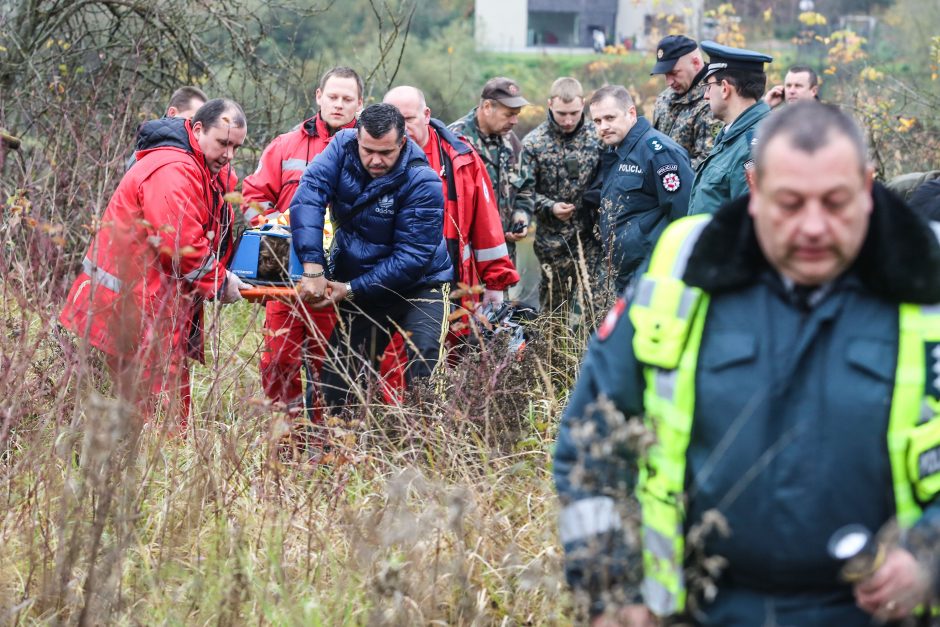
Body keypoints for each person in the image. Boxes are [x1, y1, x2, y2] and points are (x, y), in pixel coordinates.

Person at [554, 101, 940, 626]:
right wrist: (612, 593)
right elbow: (590, 444)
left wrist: (926, 555)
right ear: (753, 189)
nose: (813, 227)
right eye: (789, 203)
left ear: (869, 186)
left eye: (836, 202)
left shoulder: (928, 288)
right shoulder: (680, 284)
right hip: (702, 609)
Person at [60, 99, 249, 428]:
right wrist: (220, 283)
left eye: (236, 147)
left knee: (159, 406)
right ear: (199, 129)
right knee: (157, 414)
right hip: (133, 307)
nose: (229, 154)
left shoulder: (203, 169)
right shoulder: (173, 169)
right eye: (223, 143)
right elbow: (180, 245)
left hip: (155, 302)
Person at [290, 103, 452, 408]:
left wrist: (350, 289)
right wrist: (313, 265)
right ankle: (345, 447)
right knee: (340, 377)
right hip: (361, 280)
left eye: (386, 153)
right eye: (368, 151)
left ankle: (429, 446)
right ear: (356, 139)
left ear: (402, 143)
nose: (375, 160)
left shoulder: (424, 181)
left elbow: (412, 258)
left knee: (425, 364)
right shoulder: (341, 146)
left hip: (420, 284)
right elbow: (309, 195)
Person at [380, 85, 519, 394]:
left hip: (455, 285)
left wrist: (496, 284)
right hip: (389, 284)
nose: (401, 128)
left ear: (427, 116)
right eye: (393, 120)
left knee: (454, 371)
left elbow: (487, 227)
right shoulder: (372, 156)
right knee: (391, 367)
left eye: (408, 118)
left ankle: (439, 434)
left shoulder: (461, 159)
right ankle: (390, 434)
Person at [241, 66, 362, 416]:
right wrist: (274, 227)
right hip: (288, 279)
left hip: (340, 279)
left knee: (333, 365)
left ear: (360, 103)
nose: (339, 105)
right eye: (333, 97)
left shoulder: (370, 147)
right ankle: (285, 443)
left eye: (347, 99)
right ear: (318, 96)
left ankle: (325, 446)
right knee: (280, 360)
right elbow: (252, 198)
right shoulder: (286, 144)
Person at [586, 85, 693, 300]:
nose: (603, 127)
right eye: (597, 121)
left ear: (631, 113)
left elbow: (685, 215)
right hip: (627, 272)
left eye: (610, 118)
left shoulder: (658, 152)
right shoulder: (618, 150)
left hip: (654, 271)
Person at [516, 77, 603, 318]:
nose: (567, 120)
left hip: (592, 239)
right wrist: (550, 207)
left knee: (597, 310)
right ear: (550, 105)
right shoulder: (533, 143)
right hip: (552, 244)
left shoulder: (598, 136)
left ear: (583, 104)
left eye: (574, 113)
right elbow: (523, 191)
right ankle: (554, 356)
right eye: (561, 113)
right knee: (554, 314)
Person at [687, 41, 773, 216]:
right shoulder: (733, 136)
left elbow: (752, 224)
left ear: (725, 89)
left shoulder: (752, 148)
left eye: (709, 87)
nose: (706, 96)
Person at [449, 77, 530, 256]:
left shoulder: (511, 141)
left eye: (517, 114)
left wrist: (521, 215)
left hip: (502, 254)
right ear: (487, 107)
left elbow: (525, 187)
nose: (515, 121)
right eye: (509, 114)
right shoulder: (455, 141)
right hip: (467, 257)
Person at [650, 35, 723, 170]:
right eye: (665, 74)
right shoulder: (664, 98)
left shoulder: (713, 100)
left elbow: (709, 162)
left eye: (674, 73)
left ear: (695, 63)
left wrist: (666, 174)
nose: (669, 82)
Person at [126, 86, 207, 171]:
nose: (198, 130)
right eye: (192, 120)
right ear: (172, 113)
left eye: (202, 125)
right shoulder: (148, 150)